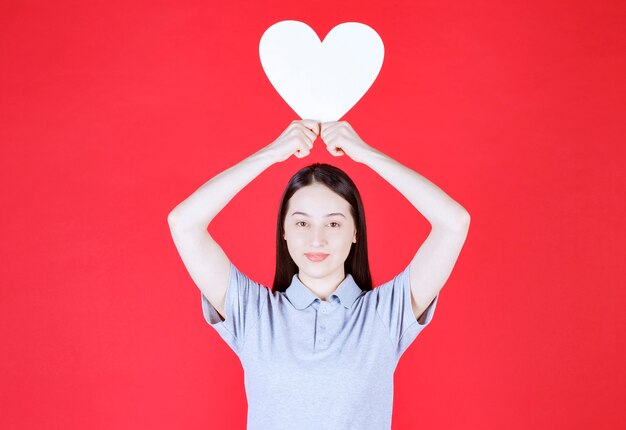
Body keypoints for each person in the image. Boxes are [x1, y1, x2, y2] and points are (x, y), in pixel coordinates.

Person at [167, 119, 470, 430]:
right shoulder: (254, 313)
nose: (317, 240)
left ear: (356, 232)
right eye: (301, 223)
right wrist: (273, 152)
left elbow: (454, 222)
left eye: (334, 223)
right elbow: (183, 223)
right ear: (283, 232)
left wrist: (364, 153)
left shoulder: (384, 313)